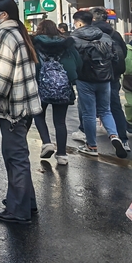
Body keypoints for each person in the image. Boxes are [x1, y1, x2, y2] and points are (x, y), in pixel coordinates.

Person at [0, 0, 42, 224]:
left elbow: (0, 78)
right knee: (18, 156)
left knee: (15, 158)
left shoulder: (5, 36)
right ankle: (26, 202)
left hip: (13, 109)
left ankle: (18, 210)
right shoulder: (18, 33)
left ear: (4, 15)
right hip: (24, 106)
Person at [71, 10, 127, 158]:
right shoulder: (105, 36)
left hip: (85, 79)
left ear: (80, 23)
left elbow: (72, 61)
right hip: (105, 78)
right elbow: (117, 57)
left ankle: (91, 145)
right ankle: (114, 136)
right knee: (106, 110)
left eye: (75, 23)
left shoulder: (74, 38)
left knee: (89, 113)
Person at [31, 20, 82, 166]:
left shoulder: (34, 44)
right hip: (62, 86)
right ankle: (62, 155)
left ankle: (46, 142)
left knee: (38, 115)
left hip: (40, 85)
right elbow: (78, 63)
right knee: (60, 122)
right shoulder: (67, 43)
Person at [89, 7, 130, 149]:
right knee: (114, 105)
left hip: (94, 75)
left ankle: (90, 142)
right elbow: (123, 53)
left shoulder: (89, 33)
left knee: (89, 108)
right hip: (113, 74)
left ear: (92, 19)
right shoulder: (115, 33)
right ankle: (123, 139)